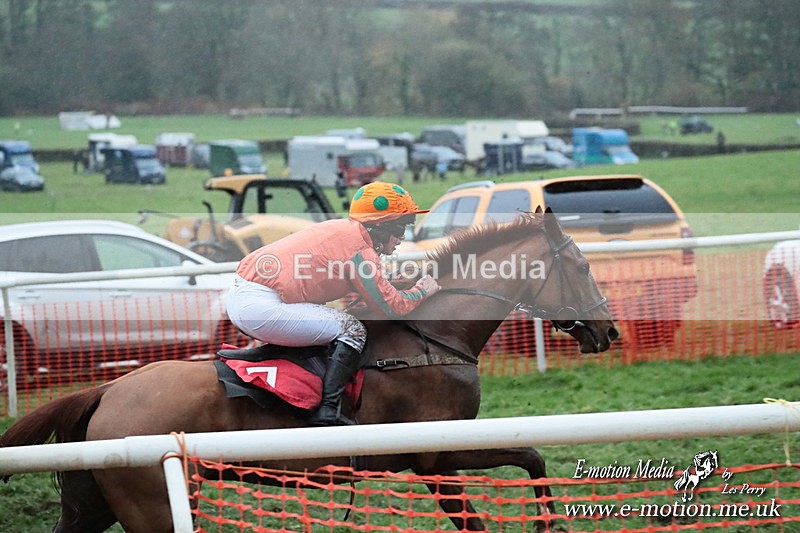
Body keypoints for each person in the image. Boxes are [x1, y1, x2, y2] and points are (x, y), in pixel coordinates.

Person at [226, 181, 441, 425]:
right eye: (401, 228)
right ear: (381, 226)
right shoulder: (359, 248)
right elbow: (392, 307)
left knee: (329, 320)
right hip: (261, 305)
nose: (402, 237)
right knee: (353, 329)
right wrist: (422, 290)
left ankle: (268, 359)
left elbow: (368, 282)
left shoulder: (346, 232)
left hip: (247, 296)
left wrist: (392, 283)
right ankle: (329, 409)